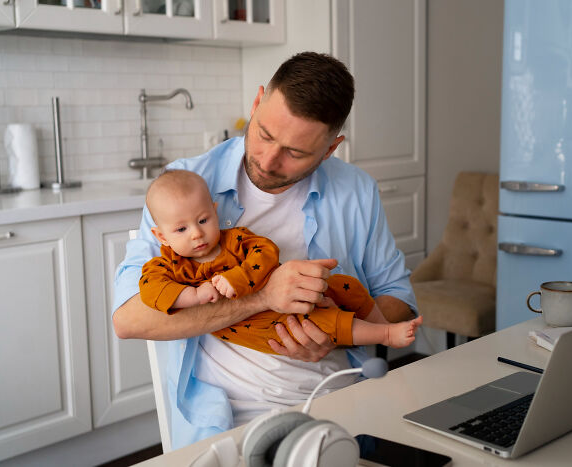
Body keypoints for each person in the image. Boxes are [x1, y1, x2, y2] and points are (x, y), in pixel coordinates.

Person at [112, 51, 419, 449]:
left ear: (330, 149)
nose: (268, 160)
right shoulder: (183, 189)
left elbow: (400, 301)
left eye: (295, 152)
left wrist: (337, 337)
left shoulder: (356, 191)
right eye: (264, 134)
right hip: (228, 419)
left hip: (338, 401)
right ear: (256, 103)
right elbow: (130, 320)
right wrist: (262, 297)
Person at [140, 169, 424, 352]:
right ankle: (384, 335)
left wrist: (236, 278)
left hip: (293, 292)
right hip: (264, 325)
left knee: (345, 284)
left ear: (215, 211)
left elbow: (265, 251)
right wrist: (192, 295)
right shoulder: (169, 267)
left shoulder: (234, 238)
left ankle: (379, 322)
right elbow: (151, 289)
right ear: (161, 236)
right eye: (181, 229)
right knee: (325, 322)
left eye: (203, 220)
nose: (197, 234)